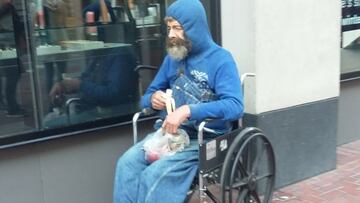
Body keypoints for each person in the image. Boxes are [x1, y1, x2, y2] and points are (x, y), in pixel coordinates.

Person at [113, 0, 244, 202]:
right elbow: (145, 98)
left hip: (203, 139)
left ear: (195, 28)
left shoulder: (221, 59)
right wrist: (152, 99)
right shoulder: (172, 58)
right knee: (126, 164)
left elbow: (235, 106)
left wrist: (188, 110)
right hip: (169, 135)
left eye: (177, 28)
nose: (171, 34)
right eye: (168, 28)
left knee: (155, 174)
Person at [43, 47, 137, 128]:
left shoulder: (120, 55)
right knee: (48, 119)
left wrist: (80, 85)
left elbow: (114, 94)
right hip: (87, 108)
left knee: (48, 124)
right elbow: (85, 78)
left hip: (105, 113)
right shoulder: (100, 54)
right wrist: (64, 85)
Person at [0, 0, 26, 117]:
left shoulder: (7, 7)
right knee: (13, 74)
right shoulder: (6, 7)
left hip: (7, 46)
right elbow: (14, 26)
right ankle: (12, 107)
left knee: (12, 74)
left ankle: (9, 104)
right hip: (7, 46)